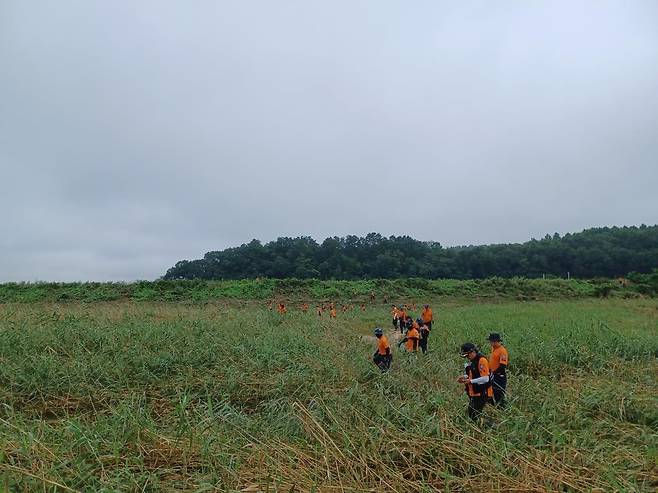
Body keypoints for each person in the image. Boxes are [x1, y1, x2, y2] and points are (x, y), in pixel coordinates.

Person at [457, 343, 493, 421]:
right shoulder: (473, 361)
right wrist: (464, 377)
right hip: (474, 392)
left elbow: (486, 378)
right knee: (472, 413)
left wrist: (470, 381)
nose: (467, 358)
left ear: (472, 352)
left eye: (467, 355)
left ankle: (490, 426)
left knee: (474, 415)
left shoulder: (482, 360)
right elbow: (474, 375)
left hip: (482, 393)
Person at [487, 333, 509, 407]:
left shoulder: (502, 351)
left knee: (499, 395)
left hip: (499, 377)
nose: (490, 343)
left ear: (496, 341)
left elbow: (503, 366)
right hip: (492, 374)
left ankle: (502, 409)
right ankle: (493, 408)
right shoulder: (494, 348)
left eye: (491, 341)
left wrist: (494, 373)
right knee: (490, 392)